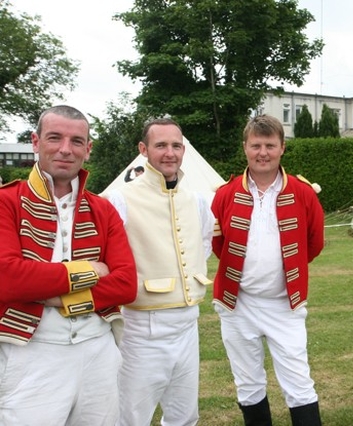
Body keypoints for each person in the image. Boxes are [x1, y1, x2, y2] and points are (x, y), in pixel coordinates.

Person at [0, 105, 137, 425]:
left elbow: (126, 284)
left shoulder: (103, 209)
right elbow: (8, 279)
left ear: (88, 150)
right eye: (54, 138)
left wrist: (55, 295)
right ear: (35, 142)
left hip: (98, 351)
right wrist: (88, 271)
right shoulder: (6, 201)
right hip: (31, 352)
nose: (66, 149)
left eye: (77, 141)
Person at [211, 114, 324, 426]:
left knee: (299, 383)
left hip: (284, 304)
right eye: (256, 145)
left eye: (270, 145)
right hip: (238, 303)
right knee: (248, 384)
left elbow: (314, 243)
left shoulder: (302, 192)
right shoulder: (224, 193)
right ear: (245, 148)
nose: (263, 152)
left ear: (282, 148)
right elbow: (219, 246)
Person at [106, 118, 214, 426]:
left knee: (184, 415)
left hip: (188, 323)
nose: (170, 153)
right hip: (142, 326)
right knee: (131, 416)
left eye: (176, 146)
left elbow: (202, 244)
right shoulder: (119, 199)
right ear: (143, 150)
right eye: (161, 145)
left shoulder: (197, 201)